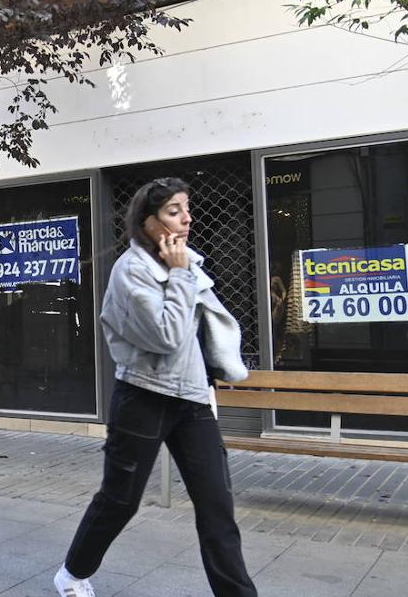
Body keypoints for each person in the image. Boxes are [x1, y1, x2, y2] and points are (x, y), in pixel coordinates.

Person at [54, 177, 257, 597]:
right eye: (173, 212)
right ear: (147, 223)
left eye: (186, 208)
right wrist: (182, 278)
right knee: (120, 500)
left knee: (217, 506)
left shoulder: (186, 262)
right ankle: (72, 574)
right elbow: (165, 336)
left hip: (193, 400)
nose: (186, 218)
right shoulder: (131, 272)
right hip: (144, 397)